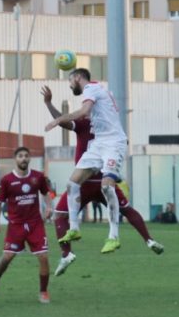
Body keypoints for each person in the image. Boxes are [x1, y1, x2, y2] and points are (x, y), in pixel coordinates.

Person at [41, 86, 163, 277]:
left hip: (85, 182)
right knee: (127, 209)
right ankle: (149, 240)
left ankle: (67, 254)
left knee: (59, 216)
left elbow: (64, 122)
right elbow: (66, 122)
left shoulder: (89, 123)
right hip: (102, 180)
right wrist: (50, 104)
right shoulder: (102, 125)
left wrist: (49, 104)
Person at [44, 68, 128, 253]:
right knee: (73, 183)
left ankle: (113, 237)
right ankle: (74, 228)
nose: (70, 85)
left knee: (107, 186)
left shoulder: (91, 88)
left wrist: (58, 120)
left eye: (70, 80)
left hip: (113, 142)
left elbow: (84, 111)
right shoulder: (101, 90)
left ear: (77, 77)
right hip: (99, 142)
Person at [0, 147, 52, 304]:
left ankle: (43, 291)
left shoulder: (38, 177)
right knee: (7, 258)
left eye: (26, 156)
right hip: (16, 226)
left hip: (35, 224)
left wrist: (49, 207)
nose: (23, 158)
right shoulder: (7, 180)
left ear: (29, 159)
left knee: (43, 257)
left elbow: (45, 193)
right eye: (20, 156)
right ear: (15, 159)